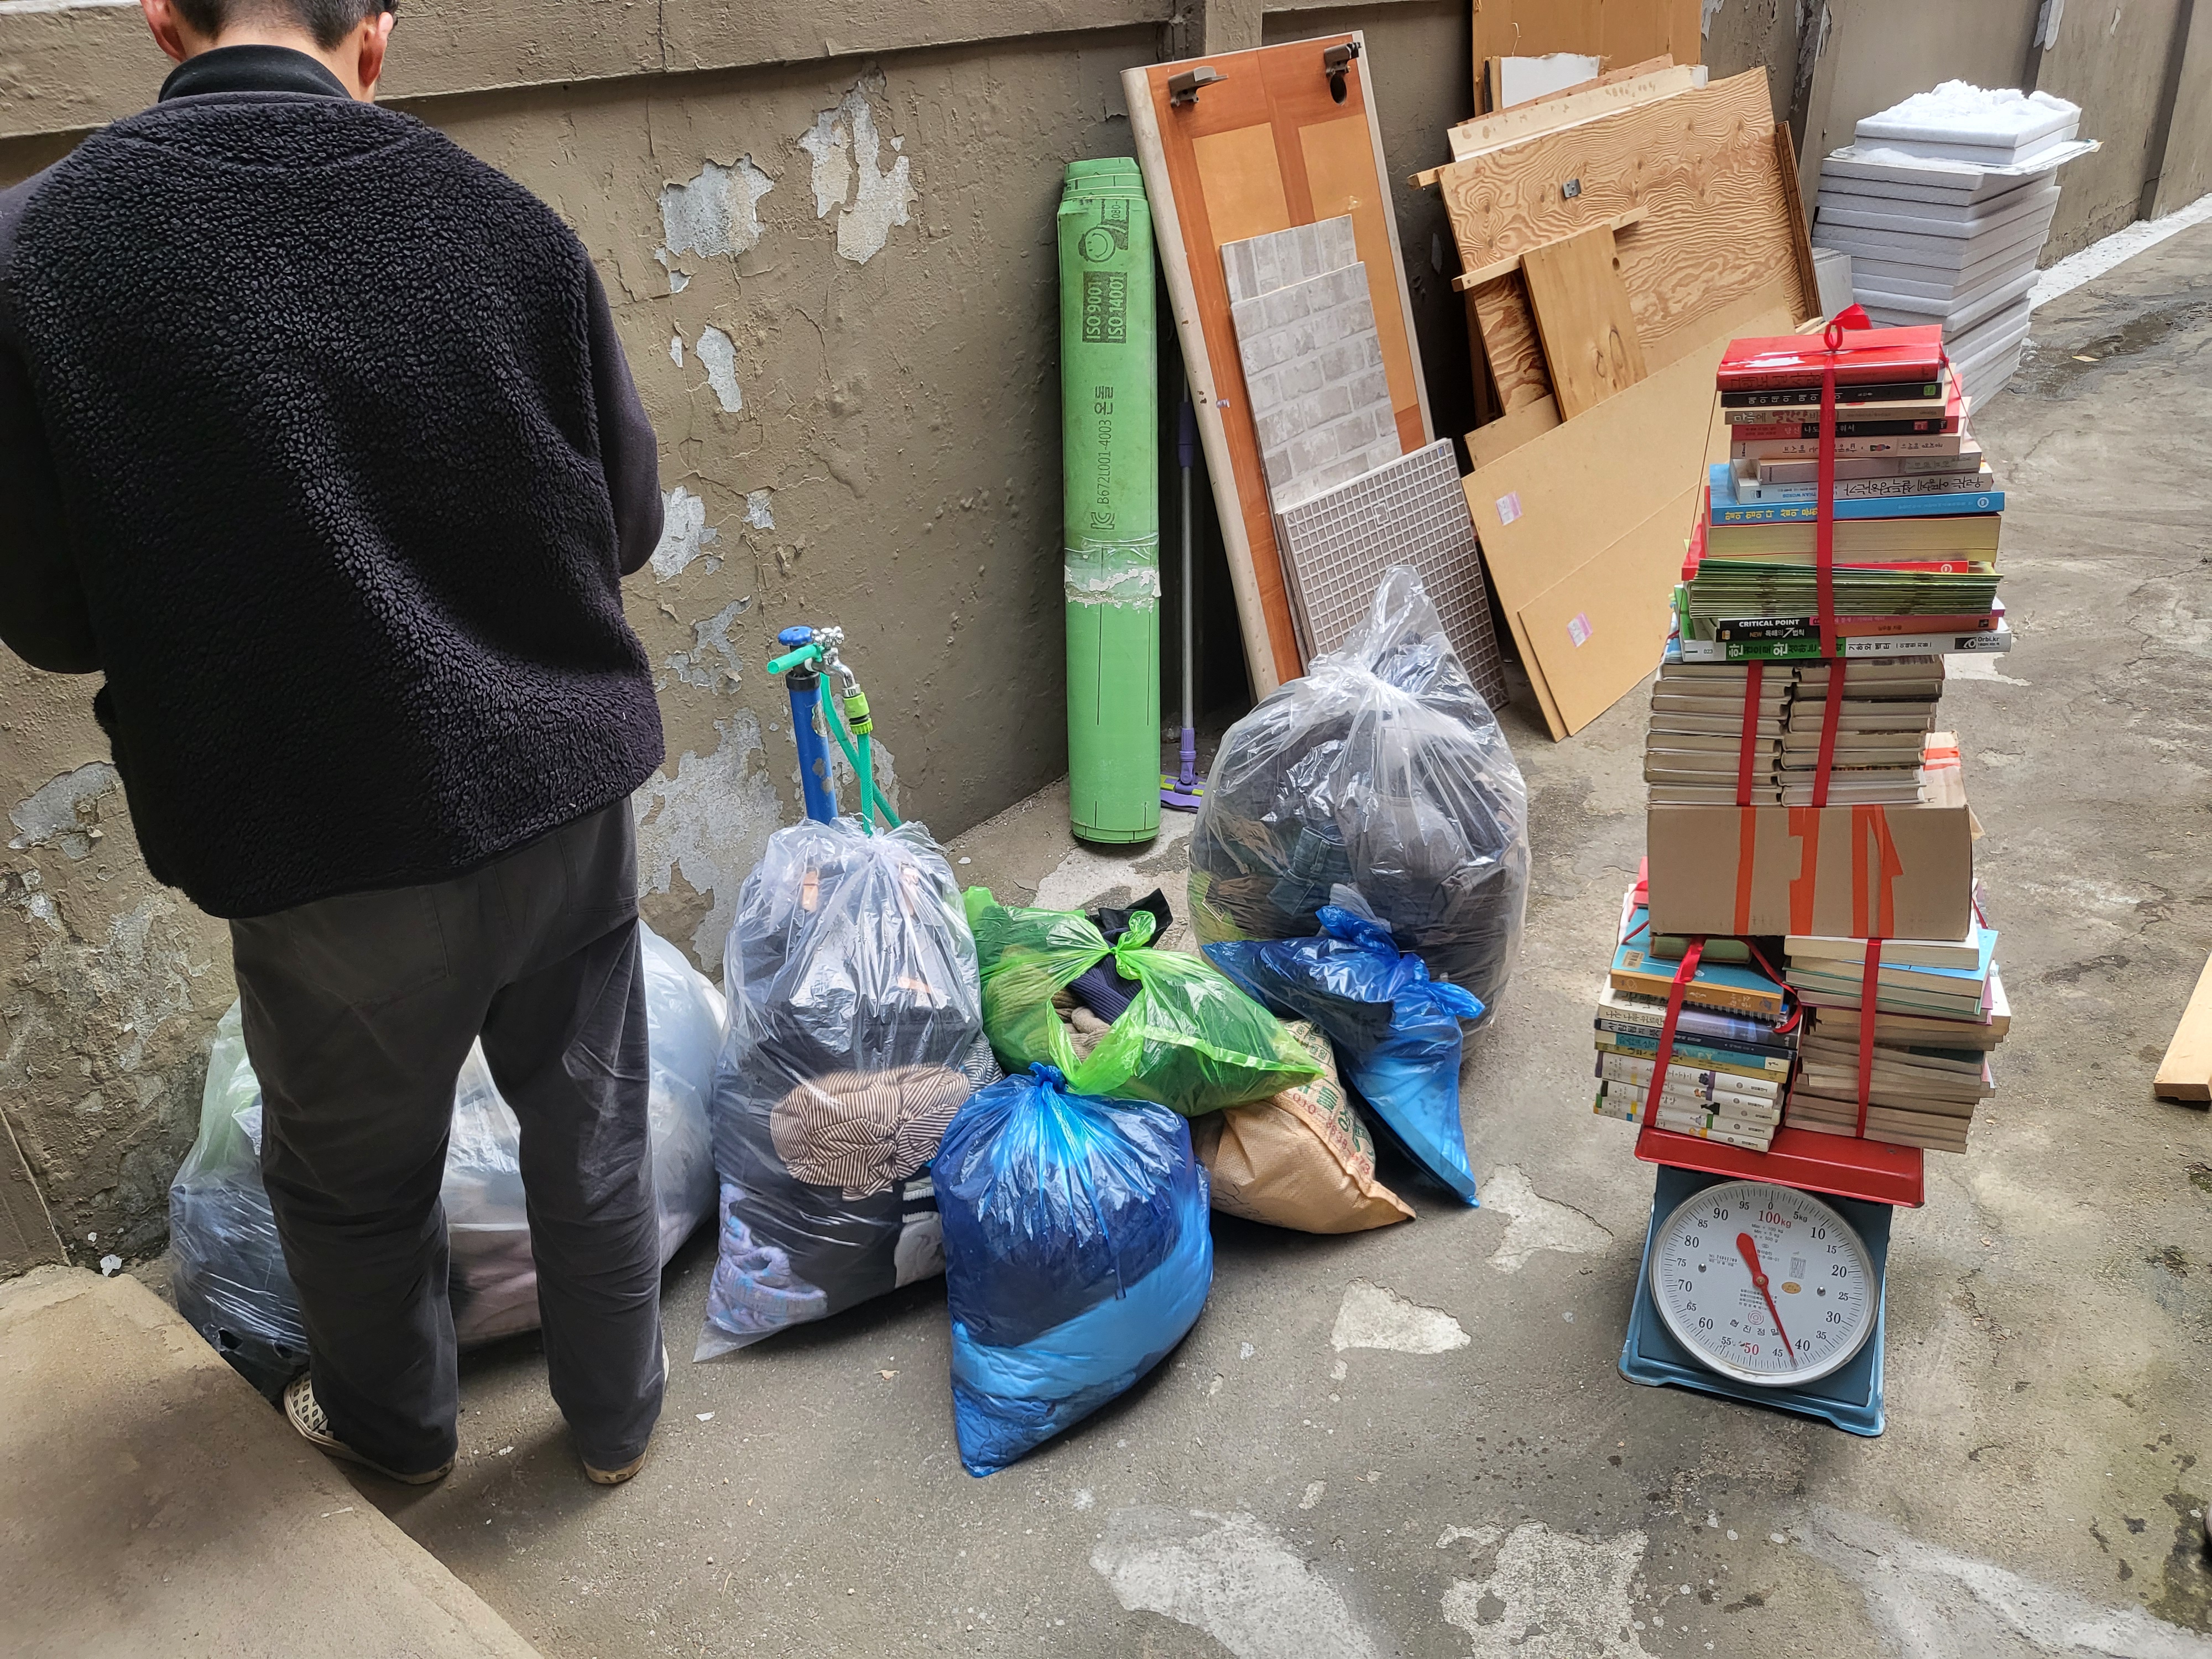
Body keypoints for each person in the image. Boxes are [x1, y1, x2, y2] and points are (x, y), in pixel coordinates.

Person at [0, 0, 672, 1486]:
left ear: (162, 19)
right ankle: (617, 1431)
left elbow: (47, 616)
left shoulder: (36, 255)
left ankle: (398, 1446)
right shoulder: (509, 223)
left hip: (315, 838)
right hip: (562, 791)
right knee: (592, 1137)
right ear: (375, 37)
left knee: (355, 1188)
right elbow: (625, 522)